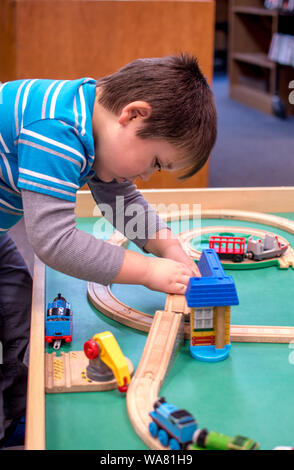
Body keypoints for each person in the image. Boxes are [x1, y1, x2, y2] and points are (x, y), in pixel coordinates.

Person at [0, 53, 217, 445]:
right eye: (154, 162)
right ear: (134, 114)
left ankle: (16, 418)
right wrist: (150, 271)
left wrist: (170, 249)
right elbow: (56, 241)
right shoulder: (56, 130)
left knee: (16, 303)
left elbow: (121, 200)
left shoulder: (90, 121)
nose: (146, 175)